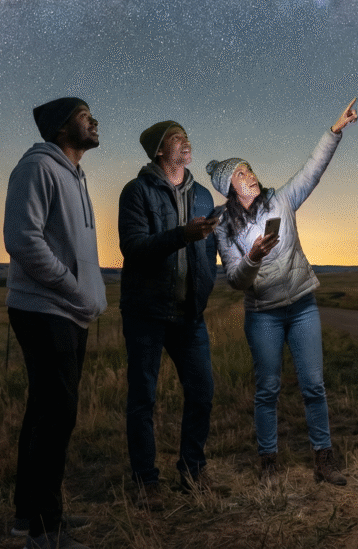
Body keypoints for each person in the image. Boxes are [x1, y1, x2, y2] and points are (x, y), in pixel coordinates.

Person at [207, 99, 358, 486]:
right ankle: (268, 464)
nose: (251, 175)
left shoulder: (281, 200)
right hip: (264, 316)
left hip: (302, 306)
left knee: (313, 385)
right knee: (268, 389)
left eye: (250, 169)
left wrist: (334, 131)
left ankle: (324, 461)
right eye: (241, 174)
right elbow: (236, 281)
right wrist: (254, 257)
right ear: (229, 186)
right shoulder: (225, 227)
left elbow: (312, 171)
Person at [4, 97, 107, 549]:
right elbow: (22, 239)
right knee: (57, 416)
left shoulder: (75, 174)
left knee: (44, 414)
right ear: (63, 128)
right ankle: (47, 532)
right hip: (43, 308)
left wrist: (86, 295)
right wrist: (71, 287)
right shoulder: (37, 168)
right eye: (85, 116)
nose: (95, 120)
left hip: (67, 310)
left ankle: (30, 515)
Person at [117, 121, 221, 505]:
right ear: (159, 150)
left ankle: (193, 471)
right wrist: (181, 235)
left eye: (186, 136)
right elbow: (134, 248)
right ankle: (146, 482)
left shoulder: (204, 197)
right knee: (143, 397)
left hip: (190, 314)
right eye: (177, 138)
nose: (186, 142)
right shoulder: (137, 191)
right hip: (146, 313)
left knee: (202, 392)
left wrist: (205, 287)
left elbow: (209, 253)